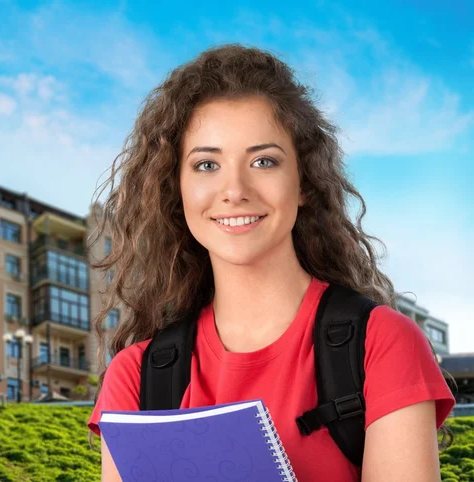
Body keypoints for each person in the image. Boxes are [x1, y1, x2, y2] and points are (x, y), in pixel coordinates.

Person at [86, 44, 455, 481]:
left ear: (304, 182)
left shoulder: (384, 343)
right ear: (176, 189)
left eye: (263, 161)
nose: (235, 189)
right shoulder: (136, 377)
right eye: (206, 164)